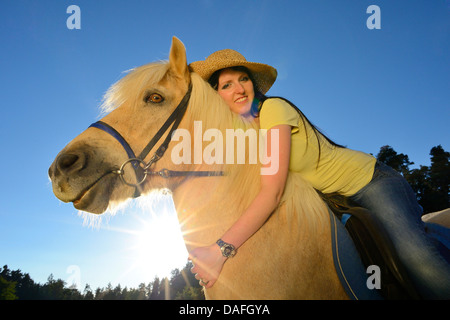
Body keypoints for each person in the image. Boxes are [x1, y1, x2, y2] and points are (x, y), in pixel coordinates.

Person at [188, 49, 450, 299]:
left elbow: (273, 191)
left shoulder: (273, 109)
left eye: (243, 79)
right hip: (332, 202)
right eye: (227, 85)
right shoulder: (237, 134)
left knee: (414, 254)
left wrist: (220, 249)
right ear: (216, 95)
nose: (239, 88)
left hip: (367, 181)